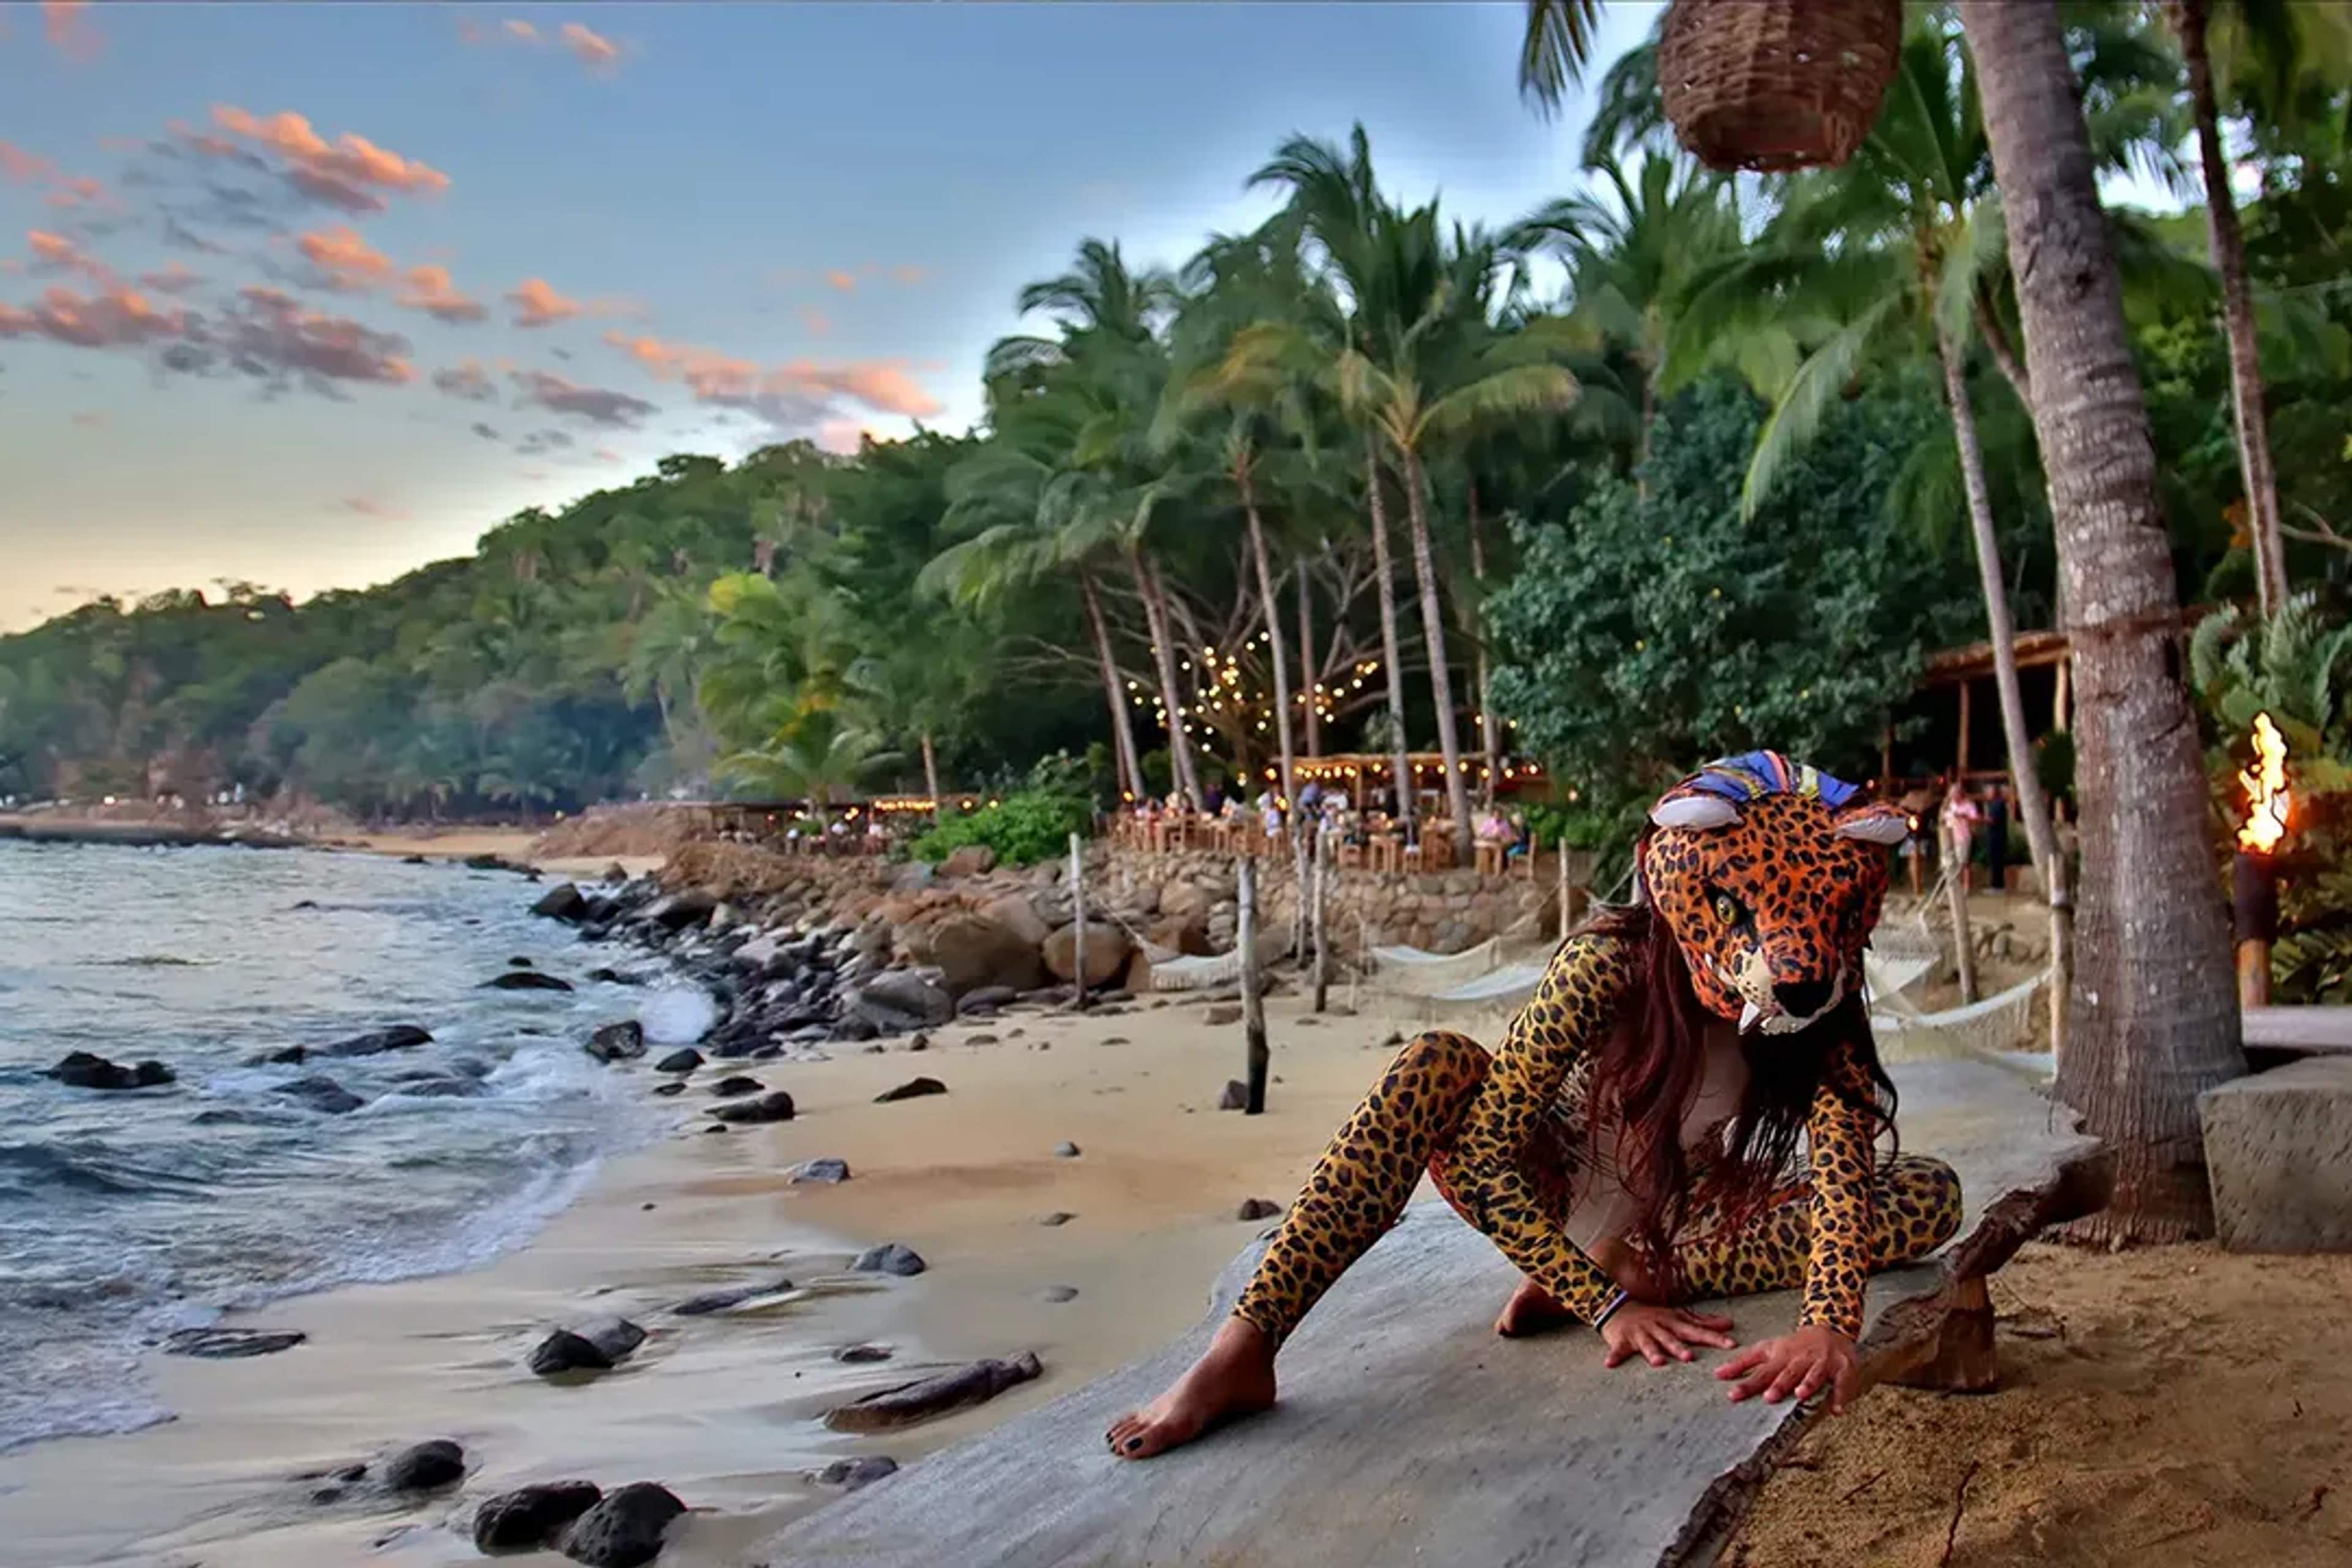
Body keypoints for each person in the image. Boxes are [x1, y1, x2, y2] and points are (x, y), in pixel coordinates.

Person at [1106, 751, 1962, 1460]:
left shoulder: (1823, 1004)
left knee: (1929, 1194)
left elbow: (1845, 1167)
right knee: (1433, 1066)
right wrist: (1600, 1304)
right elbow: (1480, 1162)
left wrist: (1828, 1324)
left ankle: (1644, 1264)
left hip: (1681, 1220)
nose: (1787, 950)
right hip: (1549, 1191)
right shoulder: (1608, 963)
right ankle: (1244, 1348)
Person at [1939, 778, 1980, 894]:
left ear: (1960, 794)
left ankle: (1966, 887)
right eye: (1952, 795)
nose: (1953, 797)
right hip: (1950, 836)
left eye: (1955, 794)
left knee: (1964, 862)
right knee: (1951, 861)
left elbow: (1975, 818)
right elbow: (1944, 818)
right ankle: (1954, 887)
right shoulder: (1950, 805)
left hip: (1963, 836)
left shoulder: (1969, 805)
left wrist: (1963, 816)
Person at [1983, 784, 2011, 894]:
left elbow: (1992, 820)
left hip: (1997, 837)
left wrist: (1981, 819)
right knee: (1995, 861)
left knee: (1996, 861)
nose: (1987, 794)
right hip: (1994, 836)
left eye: (1988, 792)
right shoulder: (1993, 804)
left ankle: (1997, 886)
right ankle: (1997, 885)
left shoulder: (1998, 804)